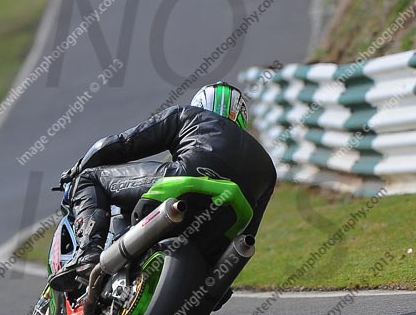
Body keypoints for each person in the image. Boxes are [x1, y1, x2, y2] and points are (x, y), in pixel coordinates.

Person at [58, 81, 277, 278]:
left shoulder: (189, 114)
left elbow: (123, 144)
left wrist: (79, 168)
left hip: (182, 183)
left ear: (200, 104)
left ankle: (88, 252)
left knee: (89, 178)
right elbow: (249, 234)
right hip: (226, 222)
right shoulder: (267, 165)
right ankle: (208, 291)